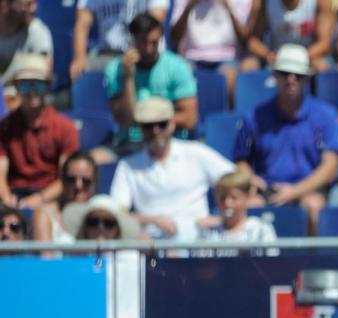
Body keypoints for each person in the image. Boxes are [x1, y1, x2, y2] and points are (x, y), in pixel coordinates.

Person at [233, 44, 338, 233]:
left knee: (314, 207)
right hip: (268, 190)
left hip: (310, 190)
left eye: (298, 76)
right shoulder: (254, 117)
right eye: (285, 73)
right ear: (275, 75)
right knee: (249, 208)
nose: (291, 80)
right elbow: (241, 159)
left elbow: (330, 166)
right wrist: (250, 178)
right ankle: (251, 263)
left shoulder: (325, 115)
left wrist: (296, 191)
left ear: (307, 79)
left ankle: (313, 262)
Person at [111, 97, 235, 239]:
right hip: (152, 244)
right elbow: (118, 213)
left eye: (161, 124)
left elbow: (237, 182)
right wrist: (153, 221)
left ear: (172, 124)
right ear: (140, 128)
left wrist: (221, 218)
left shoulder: (196, 152)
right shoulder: (127, 165)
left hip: (197, 241)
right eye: (148, 126)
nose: (155, 130)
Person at [64, 194, 143, 318]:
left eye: (107, 223)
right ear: (85, 227)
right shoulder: (69, 263)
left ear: (116, 229)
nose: (100, 228)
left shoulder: (134, 260)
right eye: (93, 222)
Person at [104, 13, 199, 158]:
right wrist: (128, 77)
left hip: (172, 143)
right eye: (142, 42)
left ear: (161, 38)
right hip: (130, 144)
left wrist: (149, 122)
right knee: (98, 158)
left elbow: (189, 118)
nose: (148, 49)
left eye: (154, 42)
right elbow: (125, 120)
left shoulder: (177, 67)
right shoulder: (115, 69)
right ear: (131, 39)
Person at [0, 54, 79, 210]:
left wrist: (39, 200)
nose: (32, 92)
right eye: (24, 86)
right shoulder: (4, 127)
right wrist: (7, 198)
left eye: (39, 85)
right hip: (13, 196)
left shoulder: (65, 128)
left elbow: (65, 179)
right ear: (16, 88)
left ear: (48, 88)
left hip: (50, 198)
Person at [170, 0, 256, 104]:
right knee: (180, 75)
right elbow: (174, 38)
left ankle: (226, 118)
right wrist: (190, 5)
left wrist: (227, 6)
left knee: (230, 81)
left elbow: (244, 39)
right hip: (191, 57)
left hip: (228, 58)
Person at [71, 0, 169, 81]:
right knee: (80, 73)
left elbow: (154, 24)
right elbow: (82, 23)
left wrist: (132, 56)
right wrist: (79, 58)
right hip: (107, 55)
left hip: (145, 55)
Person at [197, 171, 279, 254]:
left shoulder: (261, 229)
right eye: (222, 198)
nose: (227, 203)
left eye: (234, 198)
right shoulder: (209, 231)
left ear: (247, 197)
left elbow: (271, 263)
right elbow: (199, 263)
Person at [243, 0, 336, 73]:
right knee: (248, 66)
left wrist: (298, 58)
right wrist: (267, 55)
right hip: (276, 57)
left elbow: (325, 43)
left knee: (322, 66)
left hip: (309, 56)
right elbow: (253, 41)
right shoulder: (263, 2)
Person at [31, 151, 98, 243]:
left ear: (95, 184)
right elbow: (45, 256)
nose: (78, 186)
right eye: (71, 179)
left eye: (86, 181)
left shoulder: (104, 218)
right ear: (62, 181)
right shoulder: (45, 215)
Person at [0, 0, 52, 90]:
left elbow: (44, 77)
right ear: (5, 5)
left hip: (23, 98)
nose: (33, 9)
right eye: (27, 4)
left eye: (34, 3)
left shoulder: (37, 32)